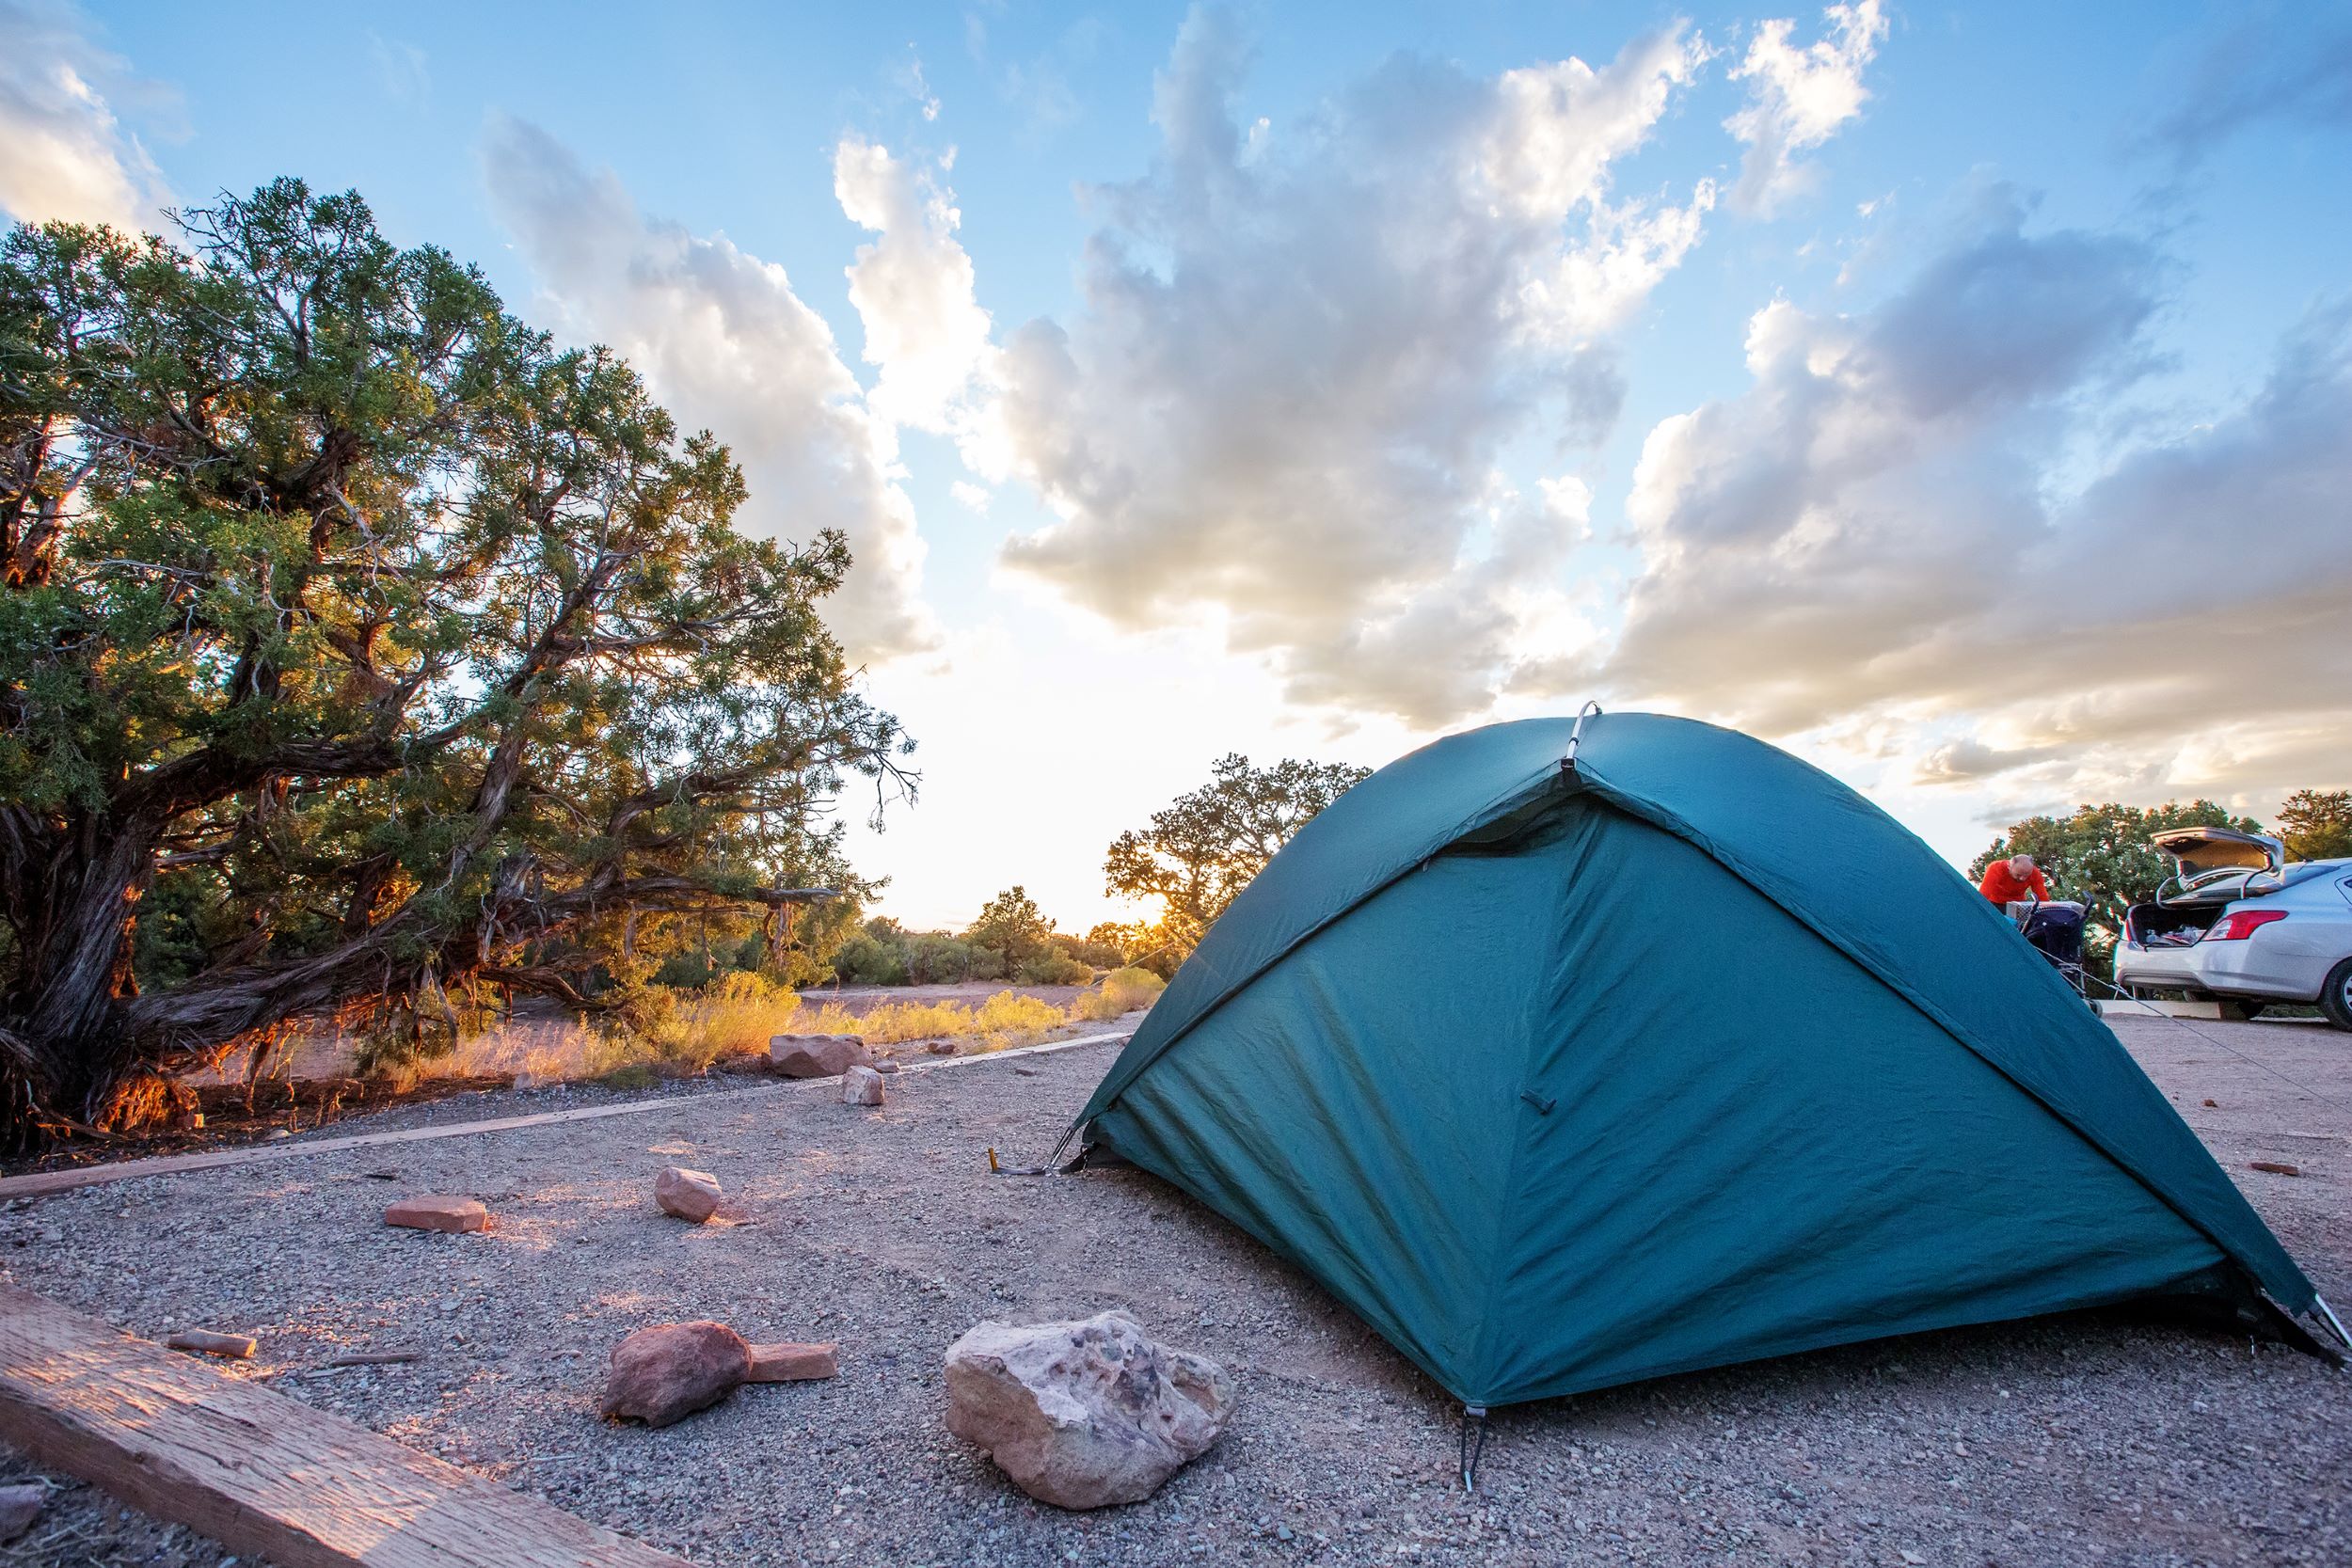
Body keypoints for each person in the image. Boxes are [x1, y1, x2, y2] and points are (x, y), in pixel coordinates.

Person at [1979, 852, 2051, 907]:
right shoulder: (1996, 868)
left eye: (2026, 876)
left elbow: (2042, 897)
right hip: (1995, 902)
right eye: (2018, 874)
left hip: (2018, 904)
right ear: (2009, 867)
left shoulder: (2035, 873)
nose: (2022, 878)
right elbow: (1983, 895)